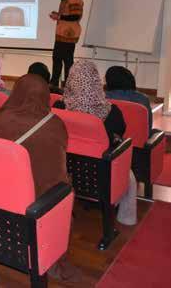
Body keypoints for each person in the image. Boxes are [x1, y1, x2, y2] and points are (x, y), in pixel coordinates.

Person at [53, 60, 135, 225]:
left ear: (71, 80)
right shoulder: (112, 112)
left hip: (65, 171)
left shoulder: (59, 107)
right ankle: (126, 218)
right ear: (97, 81)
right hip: (102, 176)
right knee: (130, 175)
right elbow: (120, 134)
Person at [0, 74, 68, 197]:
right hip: (37, 204)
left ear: (15, 93)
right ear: (46, 96)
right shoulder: (55, 124)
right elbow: (57, 169)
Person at [49, 0, 84, 87]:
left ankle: (68, 86)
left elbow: (75, 16)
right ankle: (54, 83)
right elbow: (68, 14)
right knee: (57, 58)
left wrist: (59, 17)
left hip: (68, 35)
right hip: (62, 34)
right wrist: (58, 15)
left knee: (67, 60)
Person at [105, 66, 152, 132]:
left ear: (109, 81)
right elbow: (148, 128)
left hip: (113, 140)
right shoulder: (143, 99)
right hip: (138, 141)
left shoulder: (103, 98)